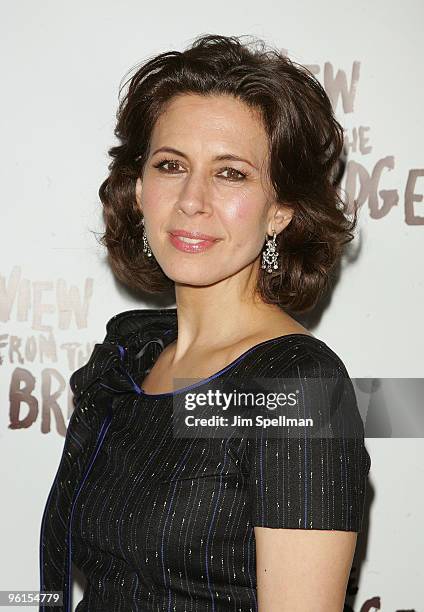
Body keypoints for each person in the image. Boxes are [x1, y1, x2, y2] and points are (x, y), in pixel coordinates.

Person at [39, 33, 371, 612]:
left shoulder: (296, 387)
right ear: (139, 189)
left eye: (231, 174)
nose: (192, 199)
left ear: (281, 210)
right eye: (171, 165)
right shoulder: (131, 357)